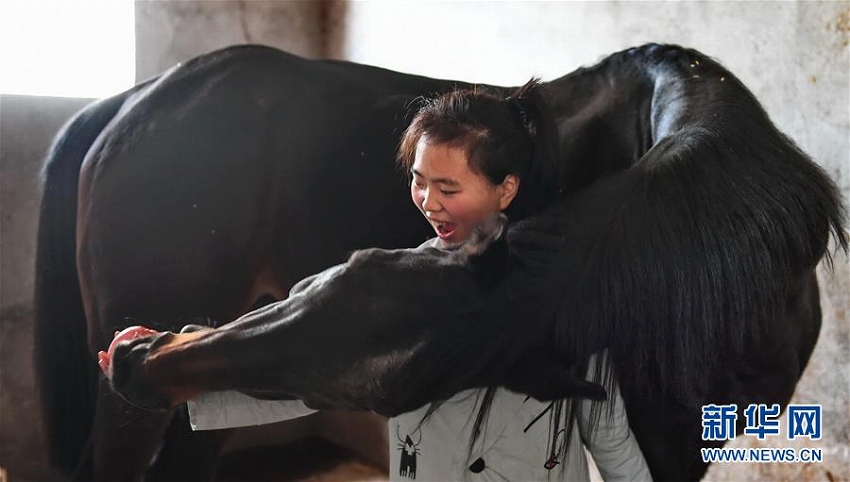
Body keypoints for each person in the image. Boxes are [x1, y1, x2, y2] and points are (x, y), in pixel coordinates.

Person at [186, 80, 651, 481]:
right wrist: (180, 362)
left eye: (448, 188)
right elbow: (303, 376)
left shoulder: (563, 290)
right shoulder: (398, 287)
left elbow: (607, 431)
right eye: (419, 181)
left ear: (505, 189)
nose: (429, 202)